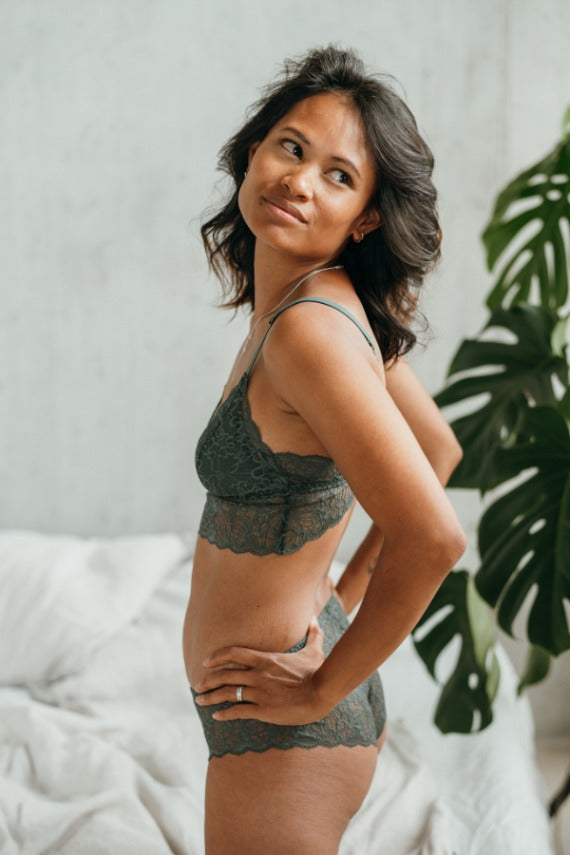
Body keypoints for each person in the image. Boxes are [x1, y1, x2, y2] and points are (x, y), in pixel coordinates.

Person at [182, 44, 466, 854]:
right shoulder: (320, 300)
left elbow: (437, 534)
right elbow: (439, 450)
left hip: (286, 736)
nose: (300, 180)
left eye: (340, 176)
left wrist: (320, 690)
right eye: (291, 147)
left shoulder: (311, 332)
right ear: (254, 152)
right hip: (270, 717)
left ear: (366, 215)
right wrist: (340, 590)